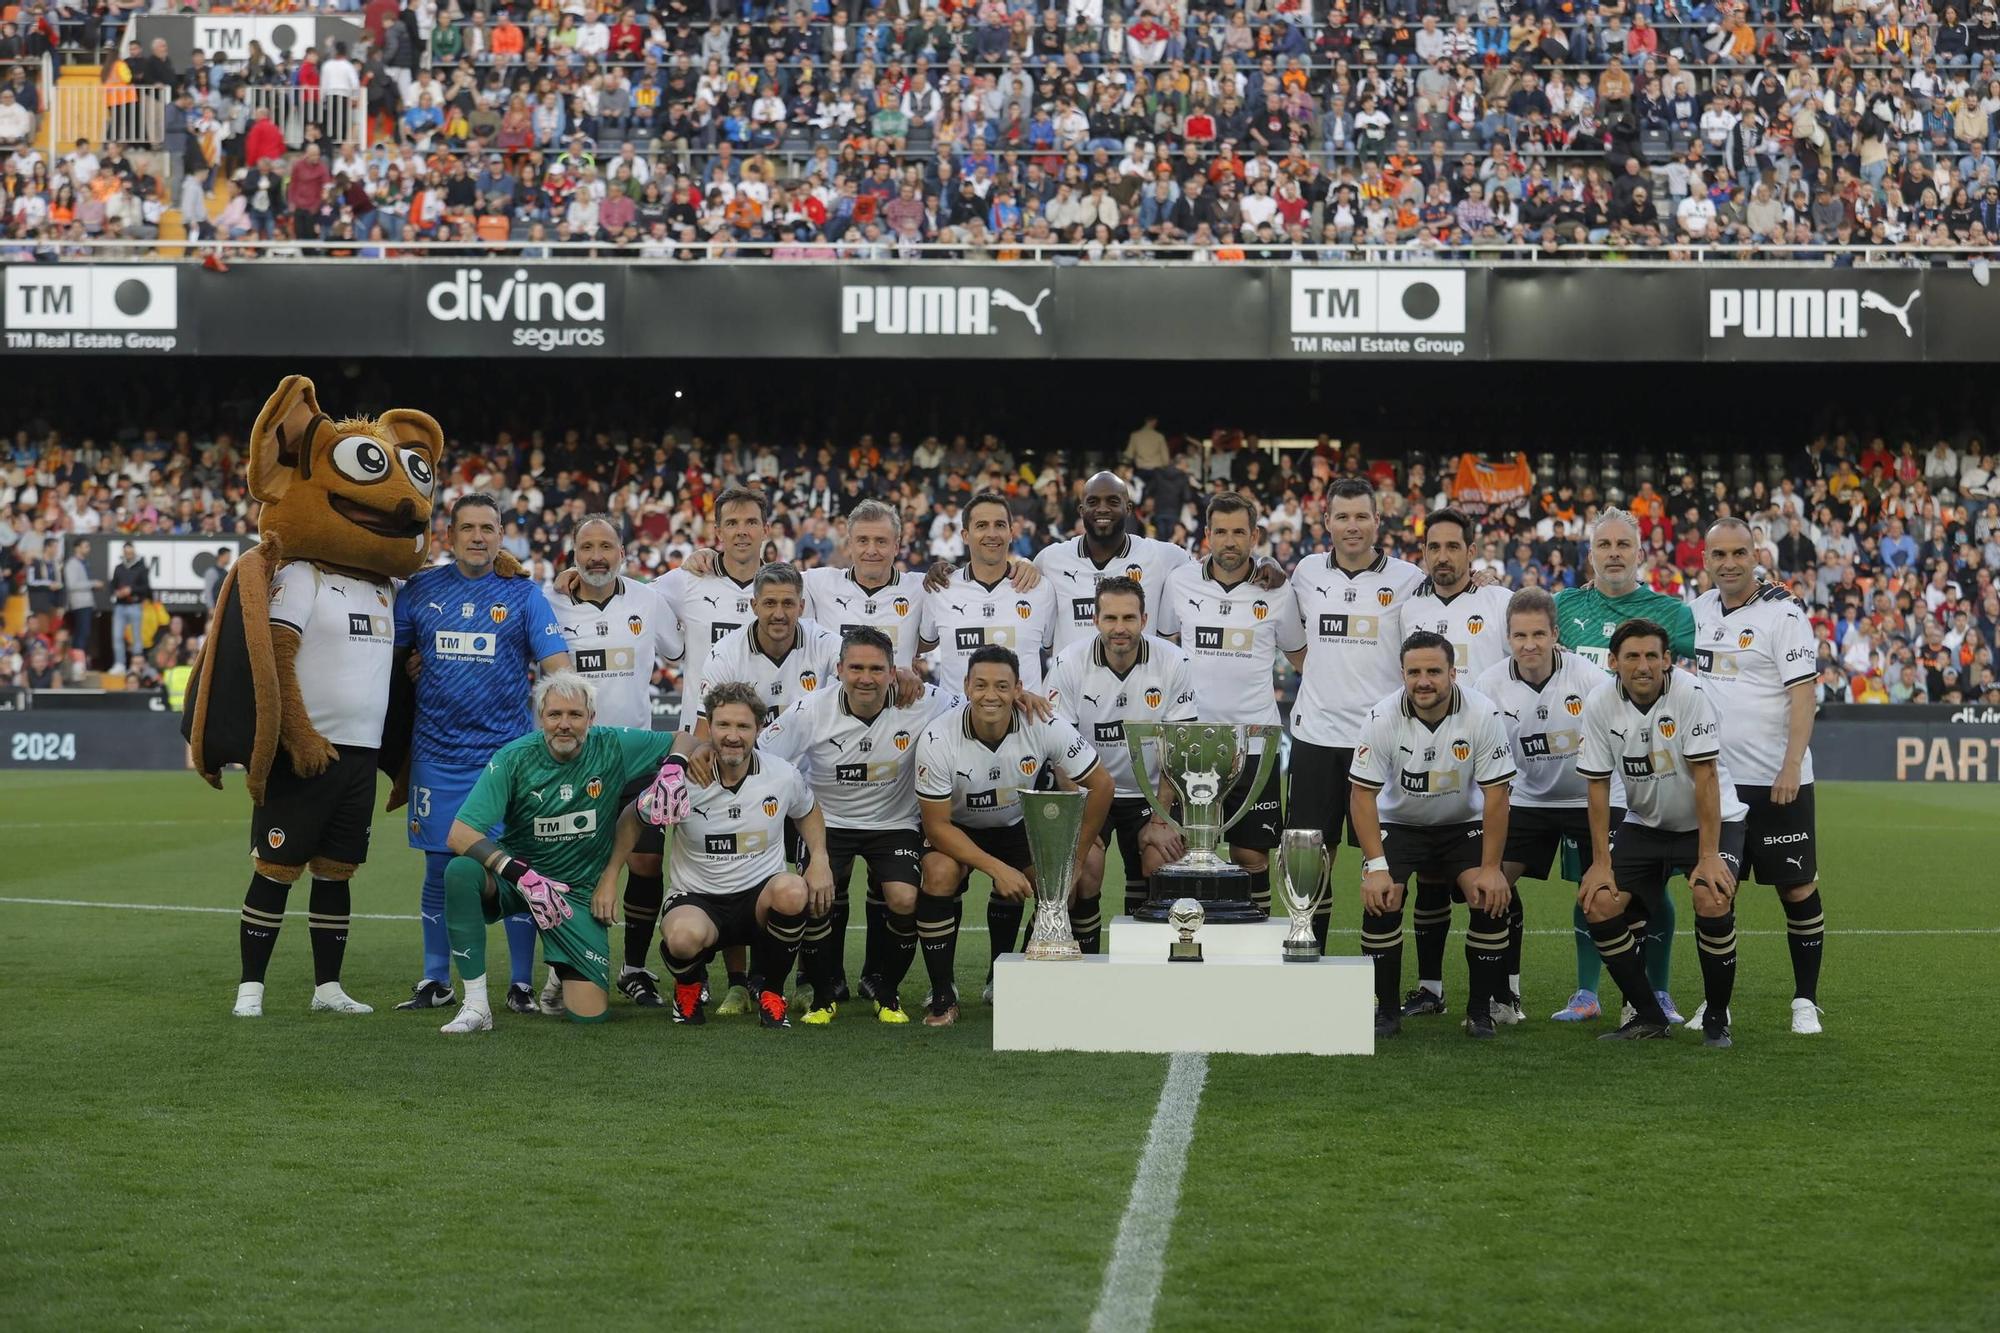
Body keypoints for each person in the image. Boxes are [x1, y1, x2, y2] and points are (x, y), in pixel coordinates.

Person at [393, 493, 571, 1015]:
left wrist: (562, 729)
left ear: (501, 535)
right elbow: (392, 656)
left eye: (487, 528)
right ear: (450, 536)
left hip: (505, 760)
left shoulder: (523, 595)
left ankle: (518, 983)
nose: (477, 536)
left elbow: (558, 668)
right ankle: (435, 979)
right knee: (438, 869)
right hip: (437, 754)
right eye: (467, 527)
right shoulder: (421, 590)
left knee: (515, 868)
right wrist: (410, 663)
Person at [433, 672, 686, 1034]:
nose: (564, 725)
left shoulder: (612, 745)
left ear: (591, 718)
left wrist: (675, 768)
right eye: (554, 715)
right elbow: (459, 834)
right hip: (520, 880)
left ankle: (559, 975)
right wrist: (521, 875)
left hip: (577, 893)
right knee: (459, 872)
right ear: (540, 718)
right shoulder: (513, 757)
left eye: (574, 715)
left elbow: (686, 738)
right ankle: (475, 1006)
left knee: (589, 1016)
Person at [758, 626, 962, 1023]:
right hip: (827, 821)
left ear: (892, 672)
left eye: (875, 668)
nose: (865, 677)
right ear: (838, 669)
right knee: (818, 897)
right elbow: (762, 756)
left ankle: (883, 983)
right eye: (855, 667)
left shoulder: (925, 700)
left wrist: (1023, 697)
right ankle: (826, 985)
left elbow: (980, 706)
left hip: (894, 822)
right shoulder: (810, 710)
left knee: (904, 899)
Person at [607, 680, 832, 1030]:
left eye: (743, 726)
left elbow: (808, 810)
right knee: (681, 939)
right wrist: (610, 877)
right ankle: (688, 986)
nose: (732, 735)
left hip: (759, 898)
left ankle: (772, 993)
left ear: (759, 729)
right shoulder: (681, 780)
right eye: (723, 725)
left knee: (793, 890)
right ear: (708, 726)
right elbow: (632, 819)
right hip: (699, 901)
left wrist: (819, 858)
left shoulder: (782, 775)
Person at [914, 645, 1112, 1026]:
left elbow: (1101, 785)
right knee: (939, 874)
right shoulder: (939, 738)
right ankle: (942, 994)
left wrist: (1074, 856)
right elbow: (936, 825)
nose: (991, 695)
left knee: (1076, 878)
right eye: (982, 685)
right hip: (958, 828)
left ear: (1018, 688)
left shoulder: (1042, 722)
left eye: (1002, 686)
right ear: (966, 686)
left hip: (1018, 825)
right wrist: (996, 869)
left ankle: (1011, 977)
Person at [1551, 507, 1697, 1023]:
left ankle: (1657, 992)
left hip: (1648, 776)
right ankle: (1586, 994)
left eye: (1623, 545)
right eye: (1604, 545)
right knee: (1590, 881)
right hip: (1585, 774)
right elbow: (1516, 626)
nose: (1614, 553)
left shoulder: (1671, 612)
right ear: (1590, 554)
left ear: (1640, 553)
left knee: (1654, 886)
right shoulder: (1562, 607)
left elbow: (1720, 653)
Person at [1576, 618, 1746, 1048]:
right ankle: (1647, 1017)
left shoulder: (1690, 694)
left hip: (1712, 822)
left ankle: (1716, 1018)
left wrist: (1709, 855)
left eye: (1653, 655)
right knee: (1598, 902)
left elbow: (1706, 775)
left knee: (1711, 895)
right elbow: (1596, 786)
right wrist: (1599, 864)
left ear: (1667, 660)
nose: (1644, 665)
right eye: (1632, 656)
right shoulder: (1598, 703)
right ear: (1614, 661)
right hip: (1646, 823)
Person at [544, 514, 685, 1011]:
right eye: (587, 546)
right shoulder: (548, 601)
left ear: (623, 551)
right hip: (571, 758)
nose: (597, 555)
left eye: (607, 545)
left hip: (636, 754)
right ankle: (563, 969)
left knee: (646, 862)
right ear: (574, 553)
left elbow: (682, 648)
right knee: (569, 863)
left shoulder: (647, 600)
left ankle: (635, 967)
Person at [1348, 630, 1518, 1039]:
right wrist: (1375, 867)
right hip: (1401, 825)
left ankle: (1481, 1011)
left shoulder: (1482, 713)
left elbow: (1497, 795)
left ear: (1453, 673)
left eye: (1434, 672)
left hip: (1461, 825)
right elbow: (1361, 795)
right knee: (1383, 898)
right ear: (1403, 674)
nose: (1424, 681)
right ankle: (1385, 1011)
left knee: (1487, 895)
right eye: (1414, 672)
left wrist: (1493, 868)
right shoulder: (1381, 716)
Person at [1692, 519, 1825, 1036]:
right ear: (1706, 559)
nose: (1729, 563)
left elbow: (1803, 693)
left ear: (1755, 555)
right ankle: (1715, 1005)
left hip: (1777, 780)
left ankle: (1805, 1001)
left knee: (1796, 889)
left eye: (1738, 553)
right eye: (1719, 554)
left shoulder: (1784, 614)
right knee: (1716, 890)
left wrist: (1792, 763)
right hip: (1717, 784)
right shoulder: (1699, 611)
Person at [1285, 478, 1426, 948]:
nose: (1352, 526)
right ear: (1326, 522)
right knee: (1310, 855)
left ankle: (1378, 979)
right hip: (1316, 738)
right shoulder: (1305, 572)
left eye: (1361, 516)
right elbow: (1294, 644)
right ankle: (1308, 949)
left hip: (1382, 743)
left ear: (1377, 521)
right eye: (1342, 517)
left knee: (1380, 858)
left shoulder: (1407, 578)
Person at [1475, 588, 1623, 1026]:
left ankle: (1634, 1002)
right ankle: (1504, 998)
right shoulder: (1488, 686)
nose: (1529, 644)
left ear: (1556, 634)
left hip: (1588, 797)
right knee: (1491, 890)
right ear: (1508, 637)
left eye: (1539, 633)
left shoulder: (1592, 680)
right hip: (1526, 800)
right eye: (1520, 635)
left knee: (1614, 894)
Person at [1161, 493, 1306, 915]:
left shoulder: (1277, 592)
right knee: (1188, 852)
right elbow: (1167, 647)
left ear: (1254, 536)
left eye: (1238, 532)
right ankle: (1190, 942)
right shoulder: (1180, 582)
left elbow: (1302, 659)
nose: (1229, 541)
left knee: (1252, 856)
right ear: (1206, 535)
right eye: (1220, 531)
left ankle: (1254, 944)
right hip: (1192, 744)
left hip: (1254, 746)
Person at [1398, 507, 1515, 1017]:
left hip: (1491, 755)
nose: (1442, 557)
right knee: (1430, 877)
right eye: (1433, 548)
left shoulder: (1500, 601)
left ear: (1472, 551)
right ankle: (1431, 989)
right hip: (1429, 755)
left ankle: (1505, 988)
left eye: (1453, 547)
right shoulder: (1407, 607)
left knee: (1500, 874)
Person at [1044, 576, 1197, 926]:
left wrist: (1161, 819)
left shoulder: (1174, 662)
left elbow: (1178, 748)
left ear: (1145, 620)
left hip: (1151, 793)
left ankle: (1145, 964)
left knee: (1162, 860)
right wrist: (1083, 816)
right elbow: (1059, 752)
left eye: (1129, 618)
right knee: (1086, 869)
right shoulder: (1069, 662)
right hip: (1089, 789)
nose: (1120, 628)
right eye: (1110, 618)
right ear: (1095, 620)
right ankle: (1081, 964)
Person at [1034, 470, 1194, 654]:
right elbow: (1023, 574)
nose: (1102, 508)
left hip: (1136, 682)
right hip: (1070, 682)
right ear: (1081, 510)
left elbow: (1203, 570)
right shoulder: (1050, 559)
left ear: (1128, 508)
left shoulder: (1162, 556)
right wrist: (1024, 564)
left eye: (1113, 501)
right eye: (1093, 502)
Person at [918, 489, 1059, 695]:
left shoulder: (1039, 588)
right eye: (982, 525)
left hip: (1023, 722)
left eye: (1000, 525)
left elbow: (1058, 651)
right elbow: (915, 645)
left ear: (1011, 533)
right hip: (957, 721)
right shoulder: (940, 588)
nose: (992, 534)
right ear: (965, 535)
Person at [801, 499, 930, 667]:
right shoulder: (818, 583)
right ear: (850, 544)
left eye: (881, 541)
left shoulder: (921, 587)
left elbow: (930, 640)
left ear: (896, 546)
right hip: (835, 693)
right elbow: (766, 578)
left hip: (896, 693)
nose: (871, 551)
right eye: (862, 541)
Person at [109, 541, 151, 675]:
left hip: (135, 605)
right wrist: (117, 592)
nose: (128, 555)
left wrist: (131, 590)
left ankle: (137, 664)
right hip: (120, 606)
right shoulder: (118, 568)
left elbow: (146, 588)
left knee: (136, 637)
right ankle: (120, 664)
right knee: (117, 636)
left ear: (134, 552)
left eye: (130, 552)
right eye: (126, 552)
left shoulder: (141, 568)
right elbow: (112, 585)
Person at [63, 539, 100, 664]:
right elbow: (72, 584)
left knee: (84, 633)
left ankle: (80, 661)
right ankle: (77, 663)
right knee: (81, 633)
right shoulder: (72, 564)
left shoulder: (83, 563)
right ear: (77, 548)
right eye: (86, 546)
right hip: (79, 603)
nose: (88, 549)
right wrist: (93, 583)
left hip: (86, 603)